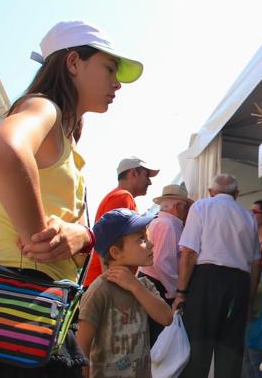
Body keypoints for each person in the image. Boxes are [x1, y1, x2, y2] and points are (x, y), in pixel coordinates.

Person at [0, 20, 143, 377]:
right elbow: (3, 147)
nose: (116, 84)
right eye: (110, 68)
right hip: (23, 310)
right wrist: (40, 239)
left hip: (35, 311)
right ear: (72, 63)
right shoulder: (44, 108)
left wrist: (82, 236)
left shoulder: (63, 133)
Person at [174, 174, 261, 378]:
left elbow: (189, 253)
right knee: (230, 351)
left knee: (198, 347)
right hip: (238, 284)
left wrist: (181, 292)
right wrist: (247, 300)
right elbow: (256, 263)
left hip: (206, 282)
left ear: (211, 192)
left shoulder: (201, 207)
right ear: (237, 195)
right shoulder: (248, 216)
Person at [77, 208, 173, 378]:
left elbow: (166, 318)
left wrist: (135, 287)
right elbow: (82, 345)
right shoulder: (100, 290)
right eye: (141, 239)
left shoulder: (143, 285)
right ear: (116, 252)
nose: (151, 243)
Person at [83, 156, 159, 288]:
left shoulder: (121, 196)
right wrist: (111, 287)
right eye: (147, 175)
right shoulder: (123, 197)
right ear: (133, 172)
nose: (149, 182)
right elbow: (107, 240)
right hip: (105, 284)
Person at [138, 183, 193, 346]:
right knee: (158, 338)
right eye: (185, 207)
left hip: (153, 282)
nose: (187, 211)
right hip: (158, 285)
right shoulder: (168, 224)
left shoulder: (162, 222)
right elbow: (162, 263)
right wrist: (175, 291)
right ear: (177, 206)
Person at [242, 200, 262, 378]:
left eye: (255, 211)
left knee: (257, 340)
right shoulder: (249, 236)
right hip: (250, 286)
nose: (251, 214)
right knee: (246, 341)